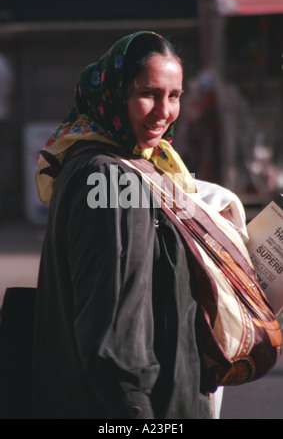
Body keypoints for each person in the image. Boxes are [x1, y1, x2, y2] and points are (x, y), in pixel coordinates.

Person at [32, 31, 279, 420]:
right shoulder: (113, 180)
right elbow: (114, 327)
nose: (163, 111)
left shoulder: (100, 165)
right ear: (115, 94)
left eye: (174, 96)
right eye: (148, 93)